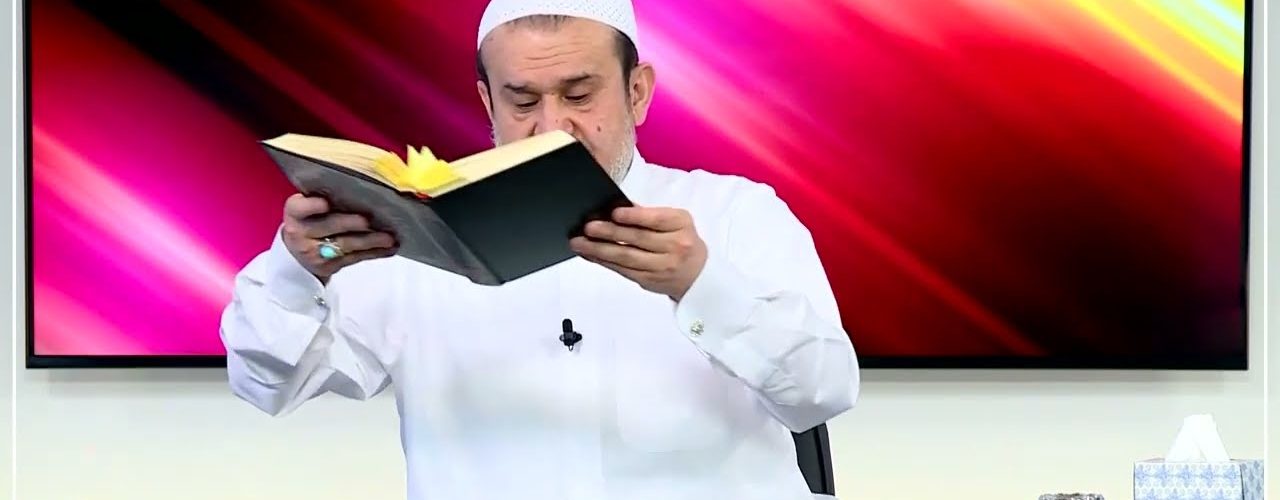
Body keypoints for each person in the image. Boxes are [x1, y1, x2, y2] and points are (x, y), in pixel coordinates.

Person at [220, 1, 860, 499]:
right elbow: (266, 386)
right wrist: (299, 272)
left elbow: (822, 392)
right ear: (487, 101)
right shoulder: (422, 237)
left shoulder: (736, 214)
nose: (553, 127)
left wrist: (699, 284)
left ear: (637, 92)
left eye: (579, 96)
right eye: (523, 101)